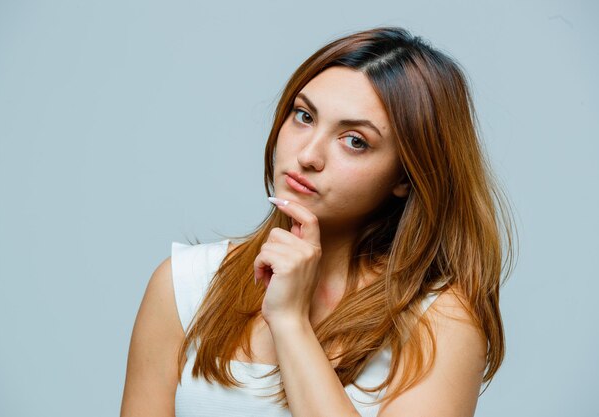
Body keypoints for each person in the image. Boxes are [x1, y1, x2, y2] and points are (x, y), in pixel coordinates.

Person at [120, 26, 516, 417]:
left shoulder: (437, 320)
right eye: (304, 116)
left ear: (404, 177)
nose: (308, 154)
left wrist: (291, 323)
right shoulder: (186, 284)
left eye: (355, 141)